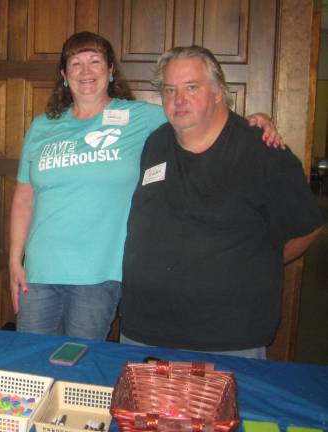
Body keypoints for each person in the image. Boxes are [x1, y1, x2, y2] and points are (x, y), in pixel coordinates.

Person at [9, 32, 282, 340]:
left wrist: (256, 122)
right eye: (76, 63)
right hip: (39, 271)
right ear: (63, 74)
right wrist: (14, 261)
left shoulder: (141, 118)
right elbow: (24, 197)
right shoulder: (41, 126)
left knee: (78, 365)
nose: (86, 71)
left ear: (111, 70)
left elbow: (197, 115)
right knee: (29, 364)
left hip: (99, 274)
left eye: (95, 61)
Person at [120, 46, 324, 358]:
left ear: (218, 92)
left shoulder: (262, 151)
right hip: (145, 333)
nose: (178, 99)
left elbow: (307, 227)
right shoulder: (156, 143)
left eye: (192, 87)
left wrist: (258, 261)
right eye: (169, 89)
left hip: (228, 339)